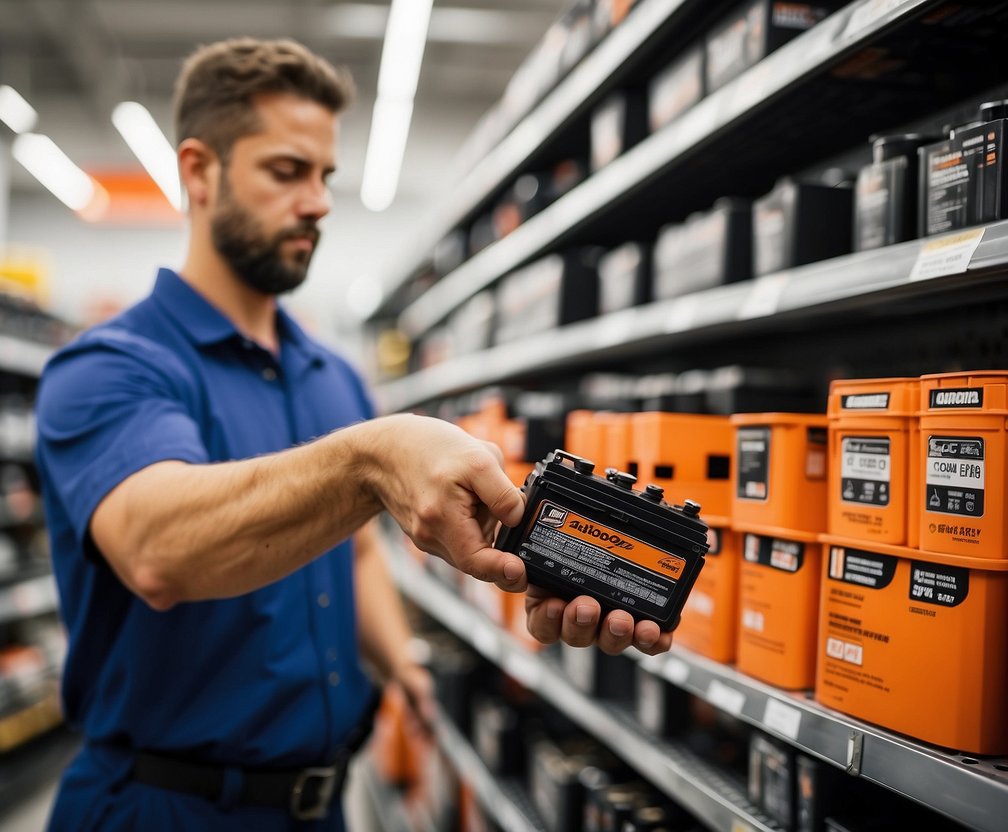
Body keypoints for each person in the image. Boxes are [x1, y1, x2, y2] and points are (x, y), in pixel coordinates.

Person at [36, 37, 673, 831]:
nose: (318, 202)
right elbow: (158, 550)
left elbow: (354, 549)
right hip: (165, 807)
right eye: (285, 171)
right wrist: (370, 459)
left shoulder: (332, 376)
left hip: (323, 805)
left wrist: (398, 658)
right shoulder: (108, 369)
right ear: (198, 172)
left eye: (325, 176)